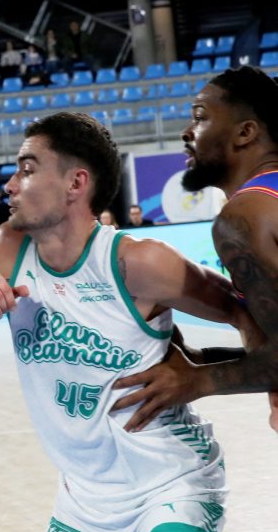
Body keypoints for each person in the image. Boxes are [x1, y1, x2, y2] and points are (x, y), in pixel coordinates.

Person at [0, 111, 258, 532]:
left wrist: (203, 375)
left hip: (173, 479)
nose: (10, 184)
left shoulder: (138, 261)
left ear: (76, 183)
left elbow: (251, 315)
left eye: (27, 169)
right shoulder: (8, 248)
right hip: (86, 498)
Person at [112, 66, 278, 432]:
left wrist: (196, 380)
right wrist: (200, 360)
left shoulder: (245, 217)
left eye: (200, 117)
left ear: (245, 132)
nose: (187, 132)